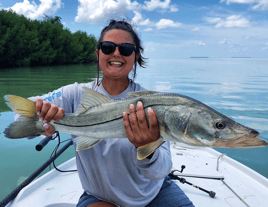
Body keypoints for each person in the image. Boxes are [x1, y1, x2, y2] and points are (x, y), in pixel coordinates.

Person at [32, 20, 194, 207]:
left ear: (136, 56)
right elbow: (22, 115)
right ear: (98, 52)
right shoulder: (75, 94)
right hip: (101, 197)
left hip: (155, 193)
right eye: (108, 47)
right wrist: (41, 124)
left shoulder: (152, 103)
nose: (116, 53)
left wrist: (147, 148)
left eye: (126, 49)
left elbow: (160, 171)